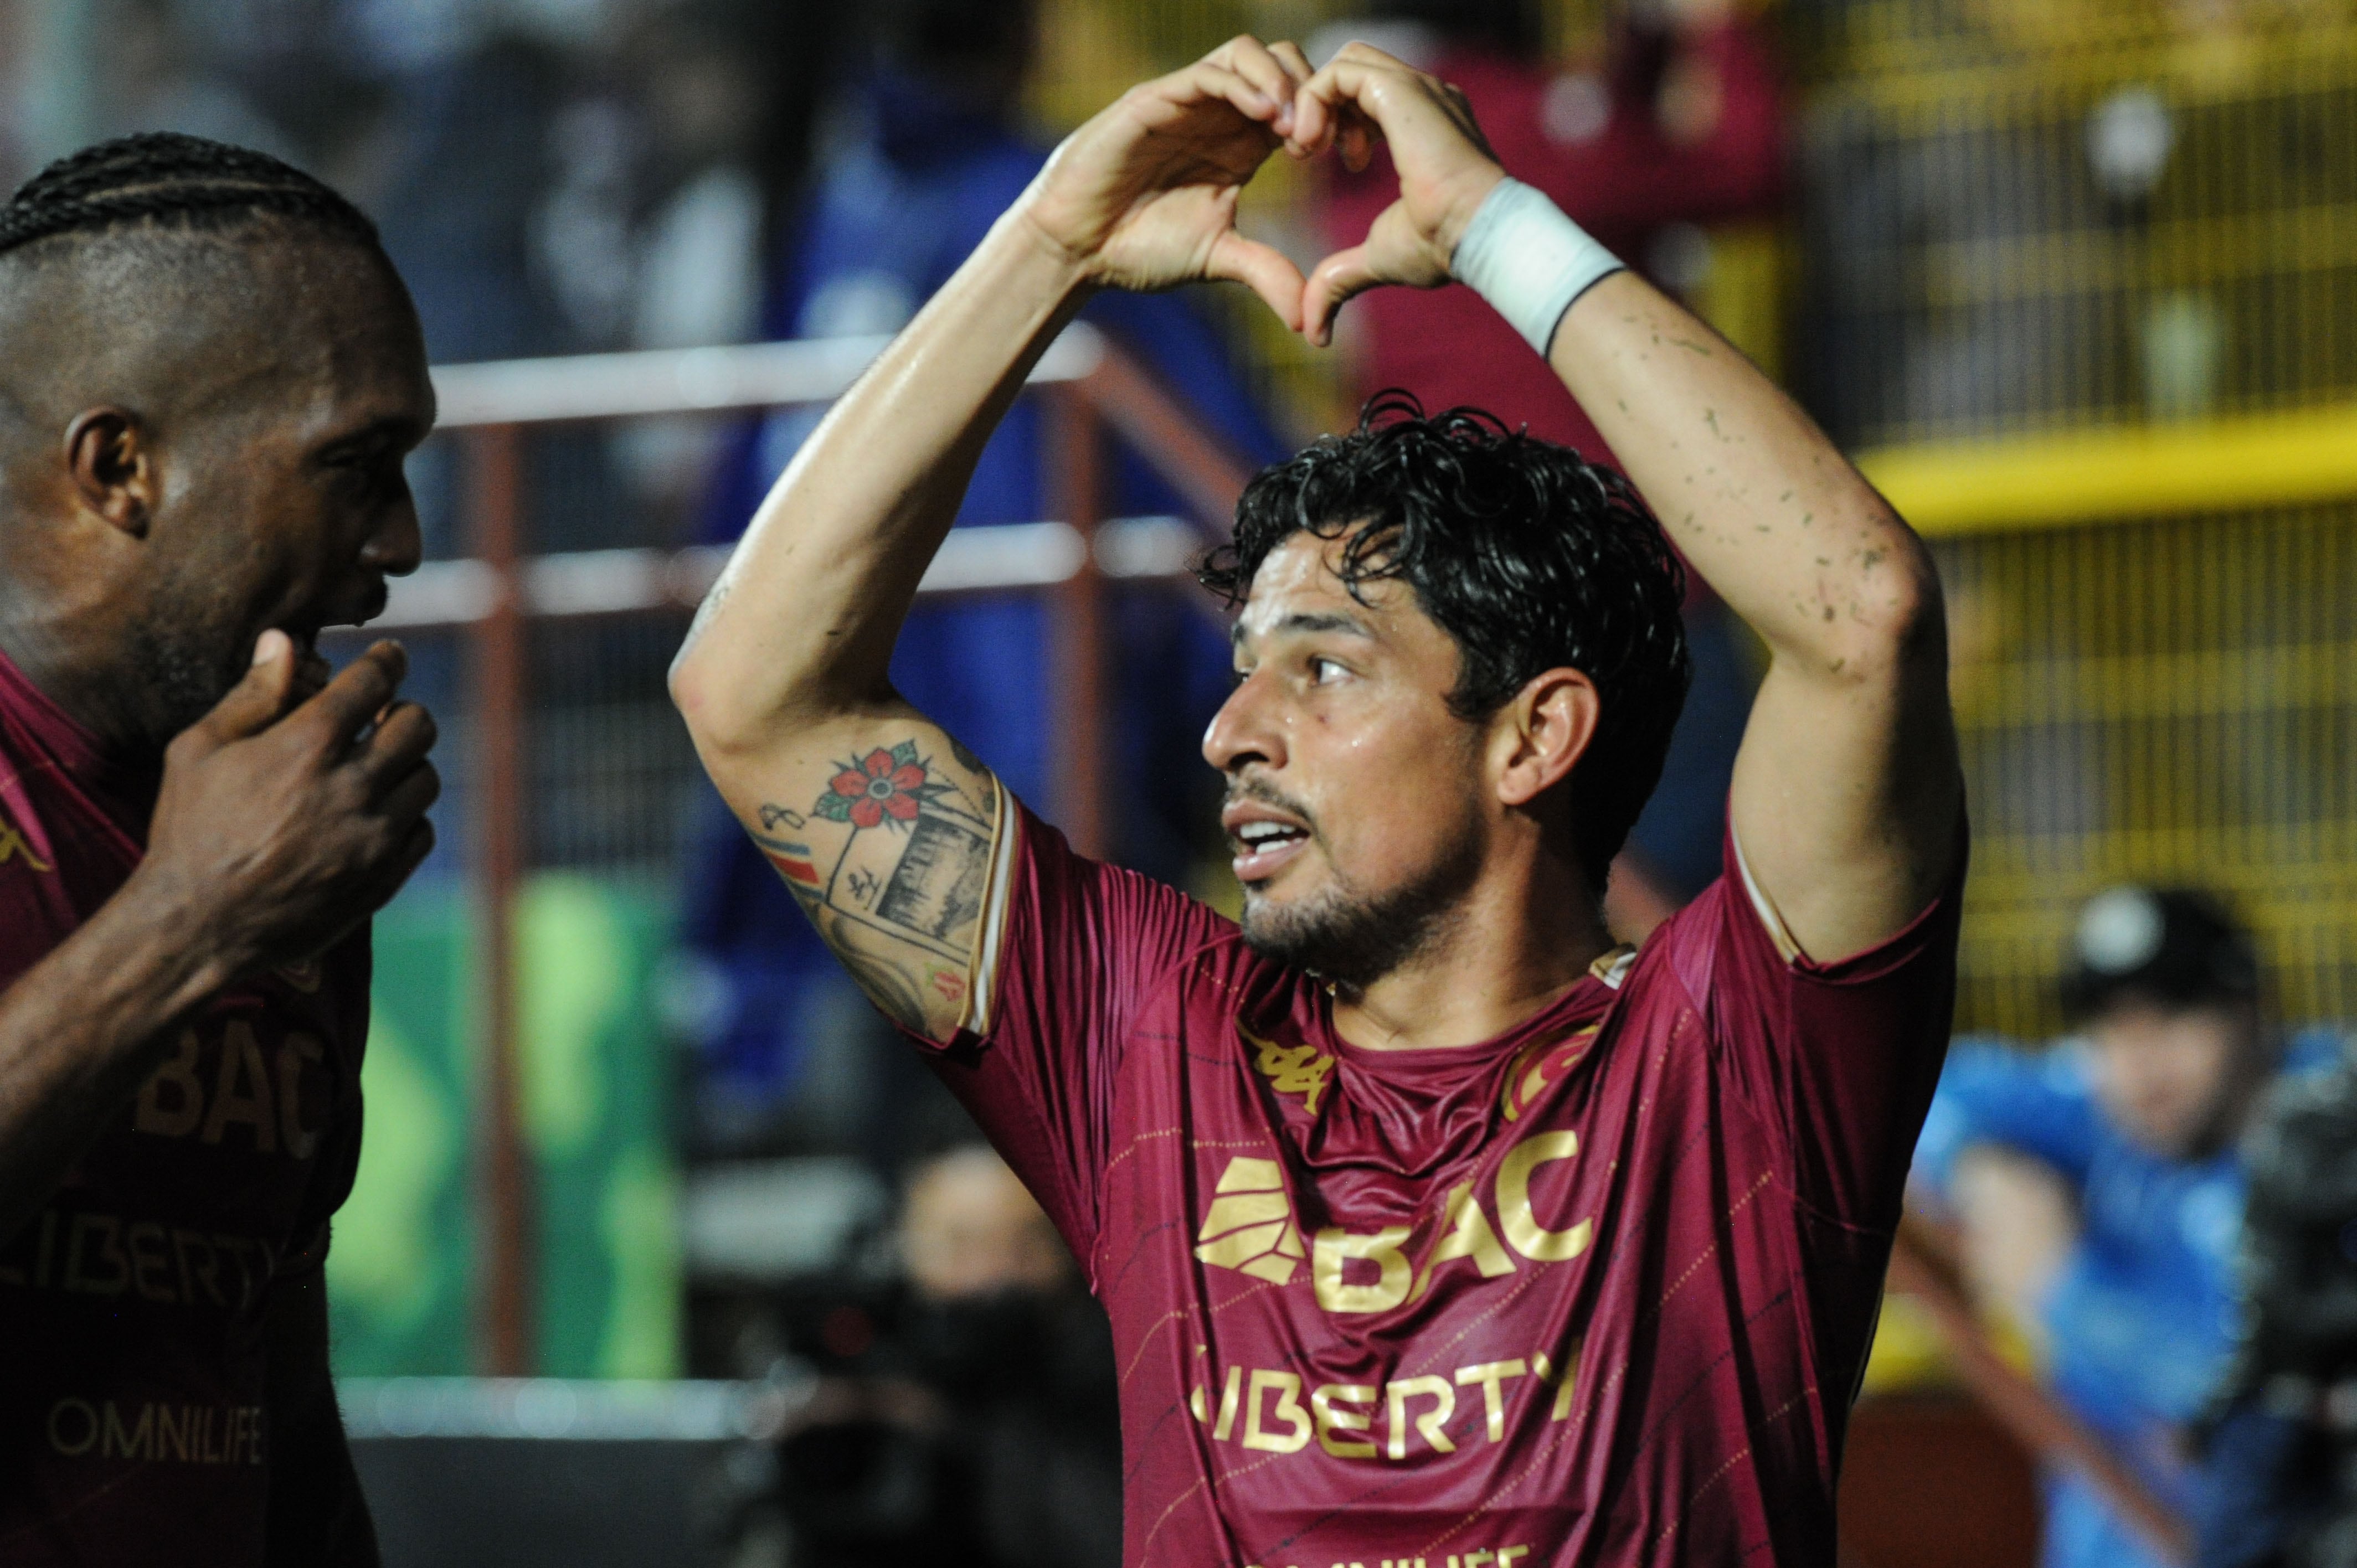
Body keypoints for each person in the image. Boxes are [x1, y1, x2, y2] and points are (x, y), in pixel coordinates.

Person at [673, 36, 1963, 1566]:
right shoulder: (1150, 1054)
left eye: (1324, 669)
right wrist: (1046, 247)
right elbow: (753, 693)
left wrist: (1493, 224)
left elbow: (1858, 607)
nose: (1232, 732)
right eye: (1242, 670)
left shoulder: (1730, 1069)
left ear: (1534, 737)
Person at [680, 0, 1282, 1156]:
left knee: (925, 1091)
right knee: (1072, 1089)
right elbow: (1224, 467)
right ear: (1023, 40)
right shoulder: (1060, 203)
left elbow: (744, 480)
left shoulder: (845, 208)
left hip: (841, 714)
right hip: (1036, 724)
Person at [0, 134, 439, 1562]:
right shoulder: (233, 874)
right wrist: (191, 921)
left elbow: (272, 1388)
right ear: (120, 467)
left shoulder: (270, 825)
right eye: (356, 466)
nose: (403, 540)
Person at [1915, 886, 2337, 1568]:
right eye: (2110, 1027)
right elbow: (1920, 1096)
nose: (2139, 1062)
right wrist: (1977, 1166)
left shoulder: (2326, 1141)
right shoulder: (2099, 1121)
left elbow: (2242, 1404)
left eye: (2171, 1015)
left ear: (2249, 1010)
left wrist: (2062, 1288)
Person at [773, 1144, 1122, 1568]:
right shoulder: (885, 1349)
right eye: (958, 1245)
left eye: (1025, 1246)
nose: (989, 1274)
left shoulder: (1109, 1380)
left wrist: (959, 1437)